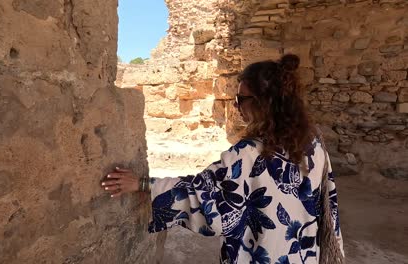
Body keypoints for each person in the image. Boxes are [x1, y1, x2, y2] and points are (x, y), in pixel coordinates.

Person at [101, 54, 344, 264]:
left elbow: (205, 198)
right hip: (304, 254)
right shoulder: (314, 143)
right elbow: (328, 205)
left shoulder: (248, 154)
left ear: (264, 102)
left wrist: (142, 184)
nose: (237, 107)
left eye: (241, 99)